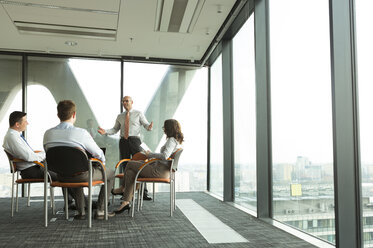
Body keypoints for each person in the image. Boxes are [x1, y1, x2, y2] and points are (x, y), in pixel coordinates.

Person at [43, 100, 115, 220]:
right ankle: (101, 210)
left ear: (58, 115)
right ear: (74, 115)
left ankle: (80, 212)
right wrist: (100, 166)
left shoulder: (48, 134)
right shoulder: (80, 133)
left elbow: (52, 155)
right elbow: (99, 154)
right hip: (80, 175)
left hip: (60, 176)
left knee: (74, 167)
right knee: (110, 174)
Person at [3, 111, 75, 209]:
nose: (27, 123)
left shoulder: (15, 135)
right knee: (64, 175)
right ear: (17, 124)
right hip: (31, 170)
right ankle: (79, 203)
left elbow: (30, 154)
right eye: (25, 121)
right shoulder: (12, 137)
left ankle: (73, 202)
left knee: (64, 171)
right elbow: (29, 156)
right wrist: (46, 154)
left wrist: (42, 154)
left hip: (34, 166)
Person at [113, 119, 183, 214]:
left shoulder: (171, 140)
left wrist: (150, 154)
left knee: (130, 163)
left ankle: (123, 188)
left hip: (159, 171)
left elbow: (165, 156)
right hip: (159, 169)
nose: (163, 129)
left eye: (164, 127)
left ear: (169, 128)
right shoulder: (174, 140)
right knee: (130, 172)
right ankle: (125, 202)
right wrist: (150, 155)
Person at [98, 96, 154, 200]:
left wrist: (149, 127)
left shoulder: (138, 113)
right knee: (125, 166)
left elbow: (146, 125)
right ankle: (126, 192)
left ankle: (144, 193)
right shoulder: (120, 116)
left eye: (126, 101)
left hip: (135, 141)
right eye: (123, 101)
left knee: (141, 164)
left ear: (132, 102)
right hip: (123, 141)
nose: (124, 103)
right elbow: (115, 129)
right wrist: (105, 132)